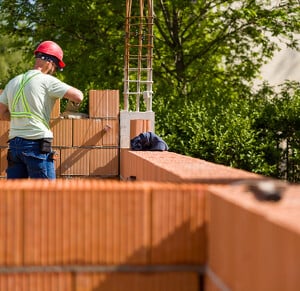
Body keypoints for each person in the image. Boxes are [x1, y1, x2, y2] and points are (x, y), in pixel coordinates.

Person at [0, 40, 83, 179]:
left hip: (15, 147)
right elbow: (78, 96)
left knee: (16, 196)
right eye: (56, 67)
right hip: (36, 145)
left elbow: (1, 112)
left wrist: (21, 117)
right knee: (46, 197)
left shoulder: (13, 82)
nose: (54, 71)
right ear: (50, 62)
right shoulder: (47, 81)